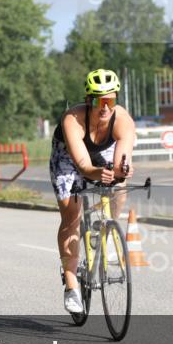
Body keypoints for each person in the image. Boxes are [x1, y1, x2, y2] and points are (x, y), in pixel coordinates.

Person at [49, 68, 135, 314]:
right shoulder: (72, 119)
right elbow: (83, 165)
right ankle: (71, 284)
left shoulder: (123, 121)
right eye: (99, 101)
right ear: (88, 101)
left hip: (101, 152)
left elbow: (121, 162)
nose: (105, 107)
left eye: (110, 100)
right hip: (68, 158)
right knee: (71, 216)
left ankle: (107, 229)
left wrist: (122, 171)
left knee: (120, 186)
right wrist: (96, 173)